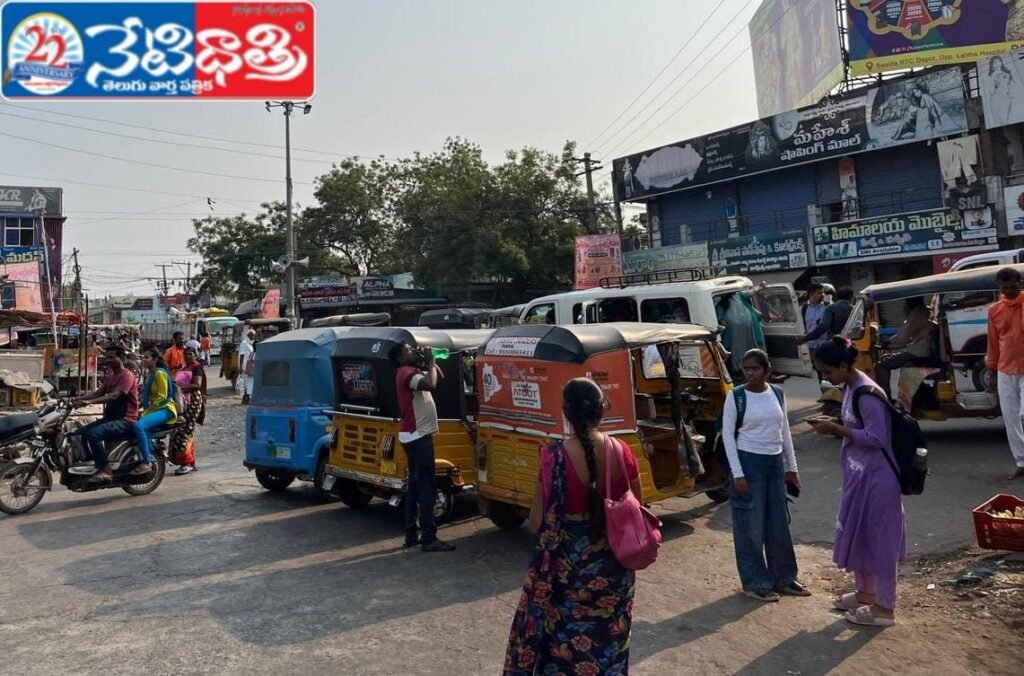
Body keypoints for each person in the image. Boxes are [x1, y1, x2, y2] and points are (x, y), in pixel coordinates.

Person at [504, 378, 640, 674]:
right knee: (608, 644)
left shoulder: (553, 457)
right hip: (614, 572)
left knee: (564, 649)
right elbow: (636, 512)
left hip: (565, 575)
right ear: (602, 410)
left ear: (565, 412)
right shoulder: (622, 452)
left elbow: (537, 522)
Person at [808, 337, 906, 627]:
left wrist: (836, 429)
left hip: (879, 479)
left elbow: (876, 438)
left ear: (843, 365)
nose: (826, 379)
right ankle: (866, 594)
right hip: (859, 477)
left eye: (828, 372)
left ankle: (884, 608)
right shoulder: (850, 388)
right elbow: (855, 424)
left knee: (881, 544)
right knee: (861, 537)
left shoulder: (867, 392)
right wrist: (832, 422)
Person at [722, 349, 807, 602]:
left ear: (766, 370)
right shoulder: (735, 397)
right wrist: (737, 473)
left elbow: (785, 431)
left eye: (754, 368)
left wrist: (792, 468)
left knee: (778, 523)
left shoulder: (777, 394)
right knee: (750, 526)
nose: (749, 373)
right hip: (748, 463)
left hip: (775, 464)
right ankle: (756, 581)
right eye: (746, 368)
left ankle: (784, 578)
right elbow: (728, 436)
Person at [389, 342, 455, 552]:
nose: (413, 351)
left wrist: (429, 363)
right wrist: (431, 361)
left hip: (412, 434)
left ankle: (411, 535)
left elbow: (438, 377)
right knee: (426, 486)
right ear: (400, 358)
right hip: (418, 435)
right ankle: (429, 538)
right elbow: (431, 384)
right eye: (409, 350)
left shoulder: (410, 371)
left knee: (415, 487)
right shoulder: (407, 373)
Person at [72, 346, 140, 482]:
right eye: (107, 357)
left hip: (125, 420)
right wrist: (77, 399)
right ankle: (92, 464)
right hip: (111, 418)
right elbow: (98, 393)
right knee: (79, 433)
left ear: (121, 358)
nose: (108, 360)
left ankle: (106, 470)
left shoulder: (127, 375)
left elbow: (115, 395)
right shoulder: (111, 376)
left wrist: (88, 402)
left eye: (111, 357)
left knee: (94, 434)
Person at [986, 267, 1024, 479]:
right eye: (1005, 287)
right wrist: (992, 371)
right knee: (1010, 419)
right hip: (1005, 369)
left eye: (1013, 286)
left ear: (1020, 284)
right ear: (999, 288)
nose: (1009, 291)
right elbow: (993, 342)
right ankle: (1021, 462)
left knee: (1023, 414)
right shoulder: (994, 310)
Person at [873, 297, 936, 400]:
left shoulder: (918, 313)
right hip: (921, 349)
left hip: (918, 352)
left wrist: (888, 341)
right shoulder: (926, 311)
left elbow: (903, 335)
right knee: (886, 357)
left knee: (881, 366)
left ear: (910, 302)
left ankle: (886, 399)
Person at [135, 347, 179, 475]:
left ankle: (147, 462)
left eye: (147, 357)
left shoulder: (159, 373)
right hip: (154, 408)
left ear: (154, 360)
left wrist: (146, 411)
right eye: (143, 357)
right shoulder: (150, 373)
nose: (144, 360)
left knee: (139, 426)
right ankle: (150, 452)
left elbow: (162, 397)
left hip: (165, 409)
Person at [170, 347, 206, 475]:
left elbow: (196, 385)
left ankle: (188, 462)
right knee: (180, 429)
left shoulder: (197, 368)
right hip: (182, 401)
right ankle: (187, 461)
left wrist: (180, 388)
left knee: (186, 429)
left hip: (193, 401)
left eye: (190, 354)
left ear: (195, 355)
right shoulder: (184, 368)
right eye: (186, 354)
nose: (188, 356)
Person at [799, 283, 829, 355]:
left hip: (826, 345)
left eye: (823, 293)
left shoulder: (828, 307)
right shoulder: (803, 309)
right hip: (810, 346)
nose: (823, 295)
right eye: (820, 293)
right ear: (811, 294)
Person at [237, 329, 256, 405]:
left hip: (250, 365)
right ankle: (245, 398)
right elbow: (241, 356)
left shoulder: (250, 343)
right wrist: (241, 368)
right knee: (245, 383)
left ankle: (247, 398)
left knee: (249, 382)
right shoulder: (244, 343)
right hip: (245, 366)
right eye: (253, 335)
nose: (254, 337)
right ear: (250, 335)